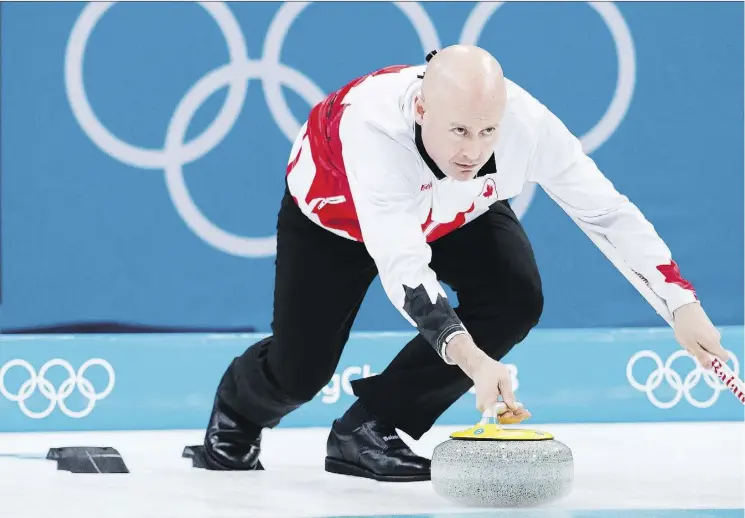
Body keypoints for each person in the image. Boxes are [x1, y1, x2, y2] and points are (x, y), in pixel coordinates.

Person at [194, 45, 730, 481]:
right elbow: (404, 270)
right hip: (338, 221)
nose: (474, 150)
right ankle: (240, 411)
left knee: (515, 296)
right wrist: (473, 361)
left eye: (487, 132)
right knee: (300, 372)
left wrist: (679, 304)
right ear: (424, 110)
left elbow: (607, 213)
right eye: (459, 132)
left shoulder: (524, 124)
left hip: (452, 208)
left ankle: (372, 427)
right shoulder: (374, 128)